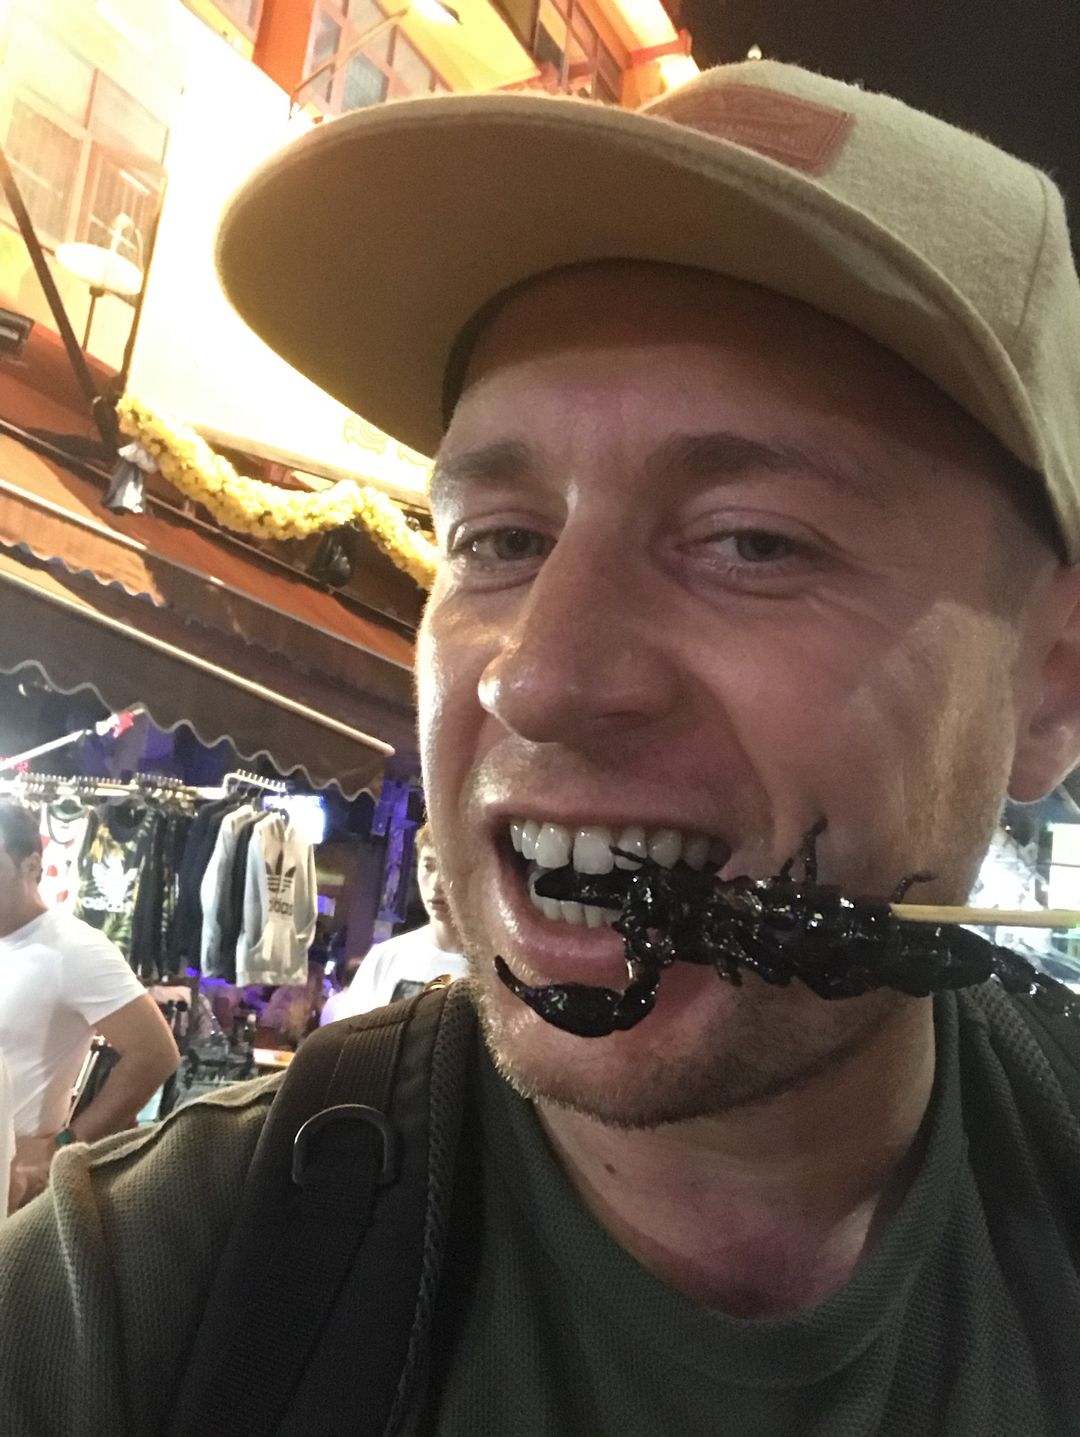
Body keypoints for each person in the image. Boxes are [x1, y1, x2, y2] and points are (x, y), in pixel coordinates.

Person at [3, 58, 1080, 1434]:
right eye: (499, 540)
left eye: (755, 542)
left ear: (1052, 690)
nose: (540, 678)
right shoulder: (121, 1308)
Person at [0, 801, 180, 1208]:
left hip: (12, 1187)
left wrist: (64, 1147)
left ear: (32, 866)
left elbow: (156, 1053)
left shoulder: (75, 948)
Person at [321, 822, 466, 1023]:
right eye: (429, 866)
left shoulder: (494, 967)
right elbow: (349, 1037)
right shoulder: (385, 958)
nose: (436, 884)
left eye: (450, 869)